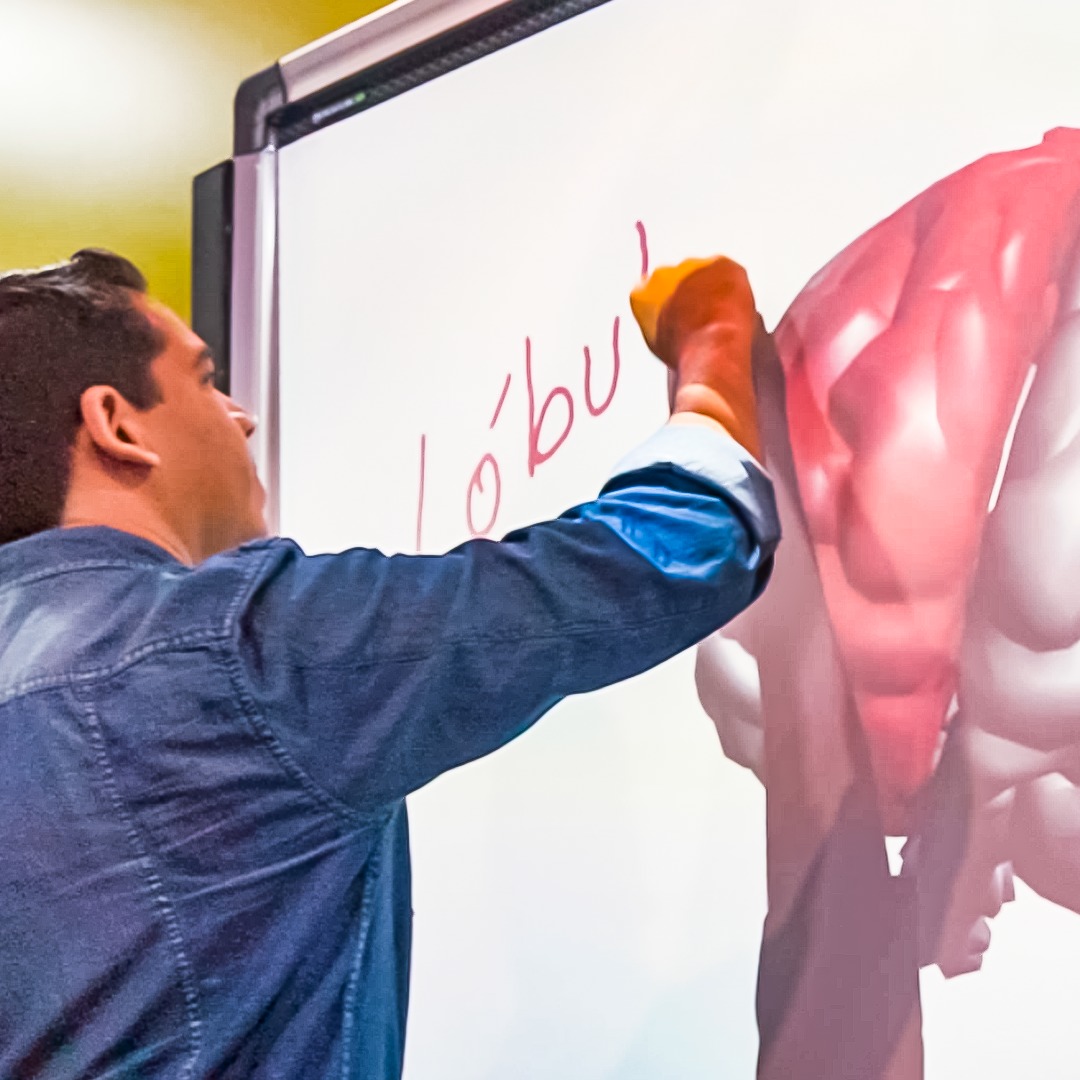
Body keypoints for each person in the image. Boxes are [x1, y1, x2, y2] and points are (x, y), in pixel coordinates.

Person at [0, 248, 779, 1079]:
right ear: (117, 425)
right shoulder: (235, 652)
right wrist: (714, 338)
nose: (241, 415)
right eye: (205, 378)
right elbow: (665, 551)